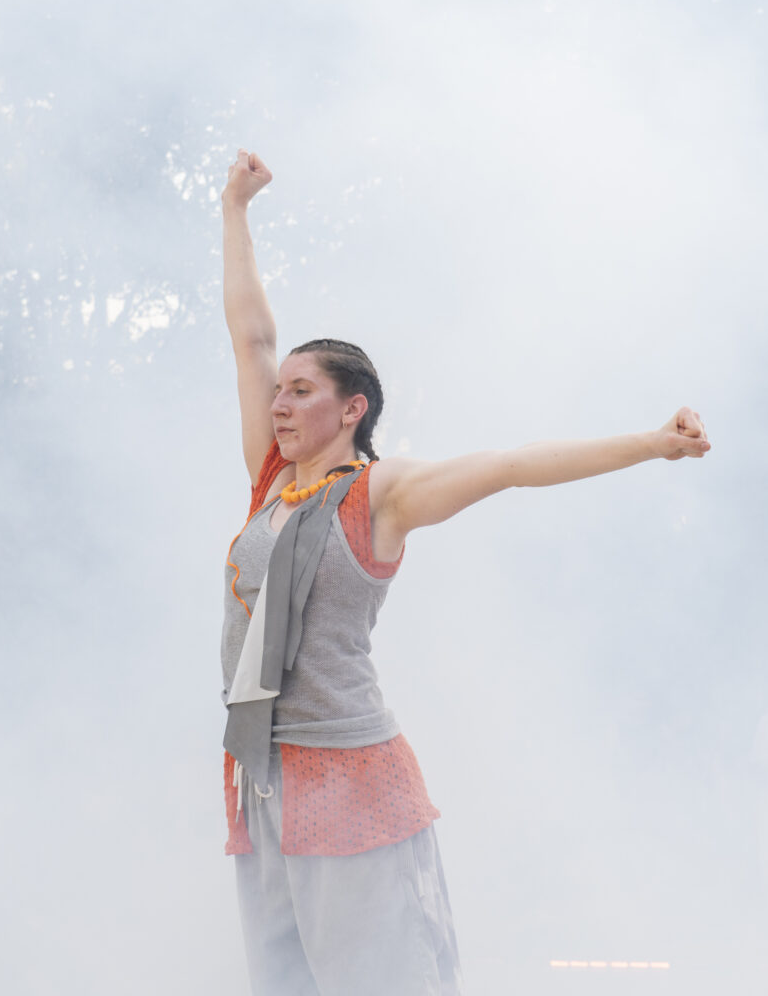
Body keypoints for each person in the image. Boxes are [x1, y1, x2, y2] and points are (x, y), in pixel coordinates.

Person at [218, 149, 711, 996]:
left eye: (301, 391)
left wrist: (653, 443)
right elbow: (252, 336)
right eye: (279, 392)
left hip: (349, 778)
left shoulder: (379, 492)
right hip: (262, 778)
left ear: (352, 408)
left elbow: (512, 465)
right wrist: (235, 209)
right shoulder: (272, 477)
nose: (280, 403)